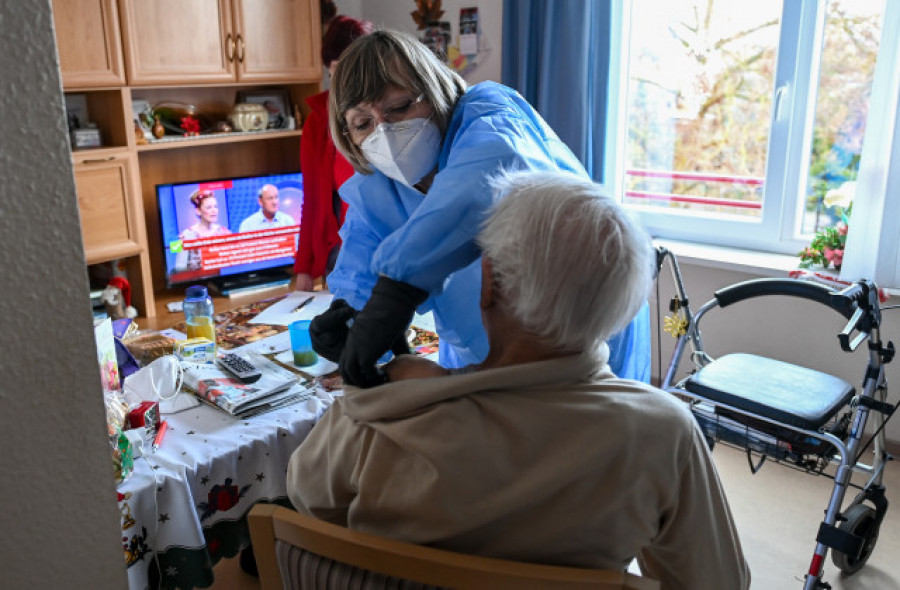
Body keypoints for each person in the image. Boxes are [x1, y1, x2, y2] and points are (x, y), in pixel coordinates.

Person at [288, 170, 750, 590]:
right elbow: (717, 581)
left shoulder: (380, 415)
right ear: (622, 304)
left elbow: (307, 499)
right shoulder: (663, 432)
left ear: (488, 284)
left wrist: (413, 388)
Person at [310, 29, 651, 387]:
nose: (386, 132)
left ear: (437, 92)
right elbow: (361, 273)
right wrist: (349, 319)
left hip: (575, 336)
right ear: (347, 135)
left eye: (400, 107)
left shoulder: (491, 115)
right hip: (476, 351)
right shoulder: (376, 188)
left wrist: (396, 292)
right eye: (363, 124)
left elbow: (480, 185)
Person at [293, 15, 374, 292]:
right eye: (337, 69)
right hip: (334, 252)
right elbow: (312, 200)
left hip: (376, 248)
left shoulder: (380, 115)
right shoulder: (316, 122)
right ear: (329, 69)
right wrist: (303, 268)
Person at [174, 189, 231, 270]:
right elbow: (179, 268)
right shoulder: (185, 235)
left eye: (215, 206)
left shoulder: (225, 233)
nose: (214, 211)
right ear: (198, 211)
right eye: (209, 207)